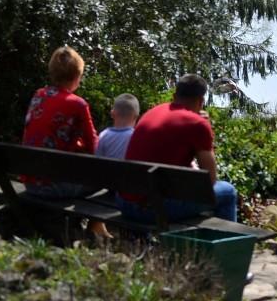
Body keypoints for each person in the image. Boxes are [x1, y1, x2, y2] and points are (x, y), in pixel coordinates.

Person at [116, 74, 238, 223]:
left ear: (175, 95)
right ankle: (225, 244)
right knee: (228, 191)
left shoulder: (154, 111)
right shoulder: (197, 124)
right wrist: (205, 127)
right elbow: (209, 182)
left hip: (123, 201)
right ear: (201, 101)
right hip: (150, 210)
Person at [21, 46, 110, 238]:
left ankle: (95, 228)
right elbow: (94, 148)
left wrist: (75, 145)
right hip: (52, 186)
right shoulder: (77, 104)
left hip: (30, 181)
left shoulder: (39, 95)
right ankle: (95, 228)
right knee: (109, 177)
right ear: (77, 75)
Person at [95, 93, 139, 160]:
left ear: (112, 114)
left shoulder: (103, 135)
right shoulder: (135, 137)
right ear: (135, 117)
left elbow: (97, 158)